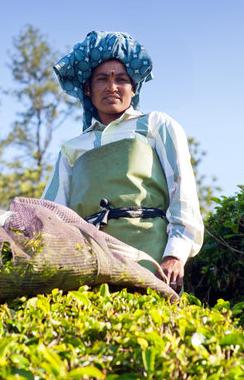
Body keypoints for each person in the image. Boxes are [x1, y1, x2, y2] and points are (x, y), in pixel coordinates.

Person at [41, 31, 204, 293]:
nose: (112, 87)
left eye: (122, 79)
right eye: (102, 79)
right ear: (87, 88)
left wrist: (175, 254)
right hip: (88, 262)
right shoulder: (72, 148)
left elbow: (182, 189)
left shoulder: (155, 125)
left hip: (149, 255)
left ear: (134, 87)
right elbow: (50, 214)